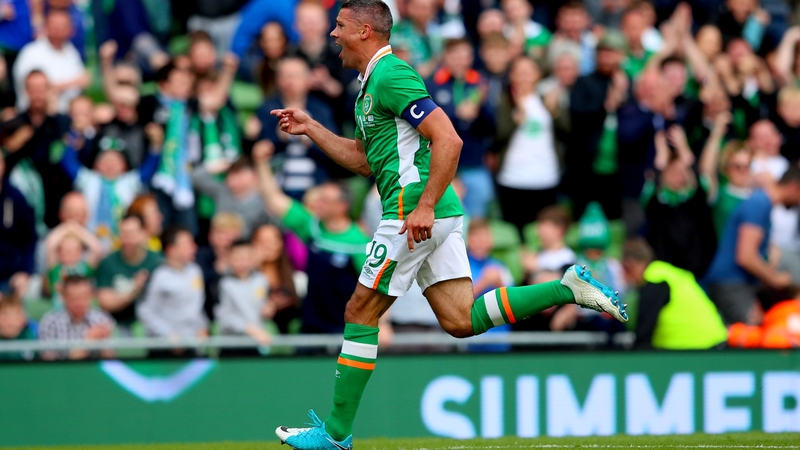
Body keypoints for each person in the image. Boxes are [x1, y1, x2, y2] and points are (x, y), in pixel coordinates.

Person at [269, 2, 627, 449]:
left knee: (360, 311)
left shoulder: (391, 75)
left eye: (340, 26)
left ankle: (336, 435)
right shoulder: (368, 86)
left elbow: (449, 138)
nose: (333, 35)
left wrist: (425, 206)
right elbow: (364, 159)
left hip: (412, 211)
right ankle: (568, 288)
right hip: (432, 211)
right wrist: (312, 129)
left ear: (364, 30)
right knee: (460, 320)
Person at [253, 143, 370, 335]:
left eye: (325, 200)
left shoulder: (359, 242)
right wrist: (261, 163)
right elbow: (274, 199)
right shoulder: (311, 226)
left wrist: (382, 324)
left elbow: (374, 288)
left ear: (342, 206)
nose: (318, 203)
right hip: (311, 325)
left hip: (345, 328)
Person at [704, 165, 800, 325]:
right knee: (748, 338)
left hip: (740, 284)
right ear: (794, 187)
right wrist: (775, 279)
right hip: (730, 283)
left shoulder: (763, 204)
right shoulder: (759, 204)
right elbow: (746, 256)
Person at [622, 238, 728, 350]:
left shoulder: (655, 280)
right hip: (714, 343)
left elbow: (643, 335)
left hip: (695, 350)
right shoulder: (669, 274)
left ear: (630, 264)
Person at [136, 226, 208, 358]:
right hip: (164, 349)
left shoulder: (195, 271)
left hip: (192, 344)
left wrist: (202, 326)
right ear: (171, 249)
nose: (194, 248)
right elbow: (145, 310)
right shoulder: (158, 275)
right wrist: (169, 336)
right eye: (187, 244)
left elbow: (197, 306)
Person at [95, 213, 162, 334]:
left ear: (144, 233)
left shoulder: (157, 261)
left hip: (154, 325)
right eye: (123, 233)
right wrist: (133, 289)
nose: (126, 240)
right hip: (118, 325)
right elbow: (104, 302)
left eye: (131, 234)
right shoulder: (108, 262)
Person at [12, 8, 89, 113]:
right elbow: (35, 90)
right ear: (45, 27)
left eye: (62, 26)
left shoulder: (71, 51)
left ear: (71, 30)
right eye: (54, 26)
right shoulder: (31, 52)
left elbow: (83, 81)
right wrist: (74, 82)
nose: (58, 29)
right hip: (39, 115)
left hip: (69, 114)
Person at [214, 239, 273, 356]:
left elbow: (263, 305)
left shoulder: (261, 280)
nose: (242, 263)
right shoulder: (224, 283)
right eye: (237, 258)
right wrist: (248, 328)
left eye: (246, 258)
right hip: (232, 344)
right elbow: (224, 316)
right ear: (229, 259)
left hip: (256, 342)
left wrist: (269, 308)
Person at [38, 275, 116, 360]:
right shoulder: (50, 323)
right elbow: (48, 365)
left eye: (84, 297)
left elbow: (112, 361)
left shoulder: (102, 319)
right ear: (64, 297)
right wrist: (86, 343)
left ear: (91, 296)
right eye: (74, 298)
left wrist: (103, 343)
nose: (79, 303)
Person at [191, 157, 271, 238]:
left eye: (238, 174)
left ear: (253, 175)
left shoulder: (266, 197)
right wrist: (217, 166)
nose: (233, 178)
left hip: (248, 244)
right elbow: (194, 178)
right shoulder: (222, 190)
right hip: (218, 242)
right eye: (230, 174)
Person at [0, 293, 37, 361]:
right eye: (5, 316)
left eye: (15, 317)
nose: (10, 322)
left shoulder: (30, 337)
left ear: (23, 319)